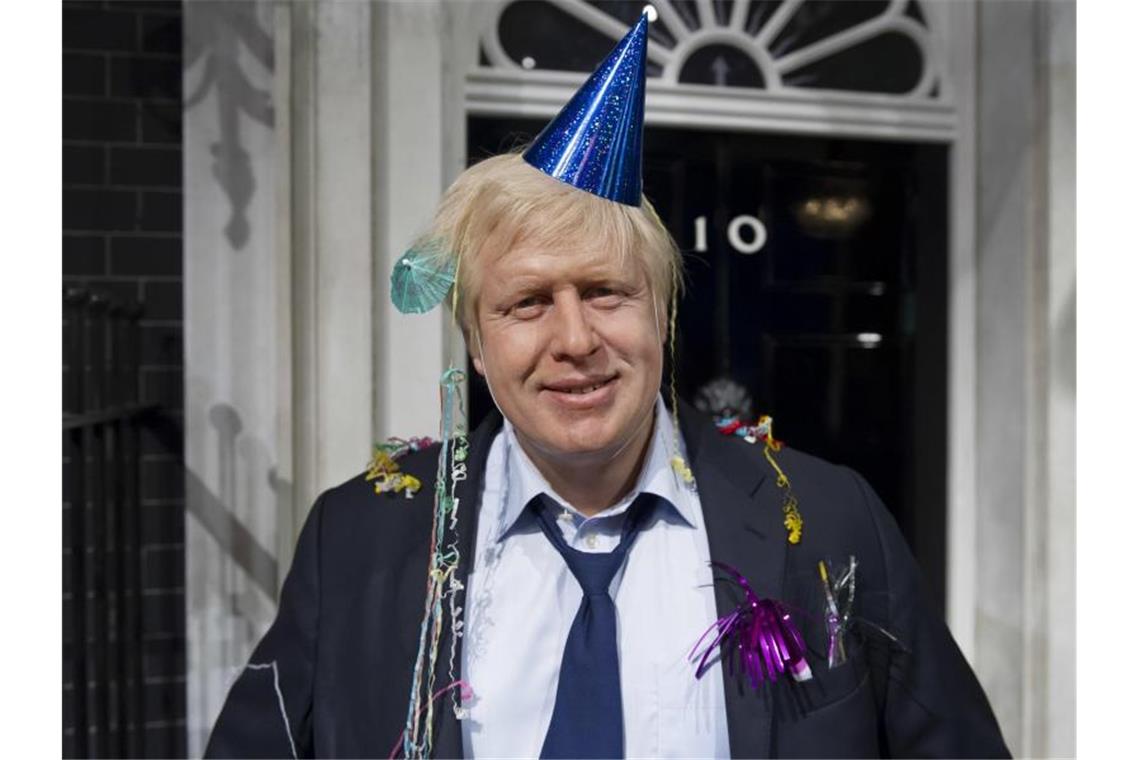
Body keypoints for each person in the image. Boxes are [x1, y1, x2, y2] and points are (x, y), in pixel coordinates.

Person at [206, 13, 1008, 759]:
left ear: (660, 314)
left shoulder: (835, 522)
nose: (575, 339)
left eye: (605, 293)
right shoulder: (357, 539)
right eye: (526, 303)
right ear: (477, 346)